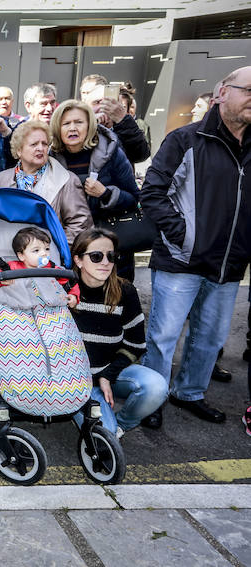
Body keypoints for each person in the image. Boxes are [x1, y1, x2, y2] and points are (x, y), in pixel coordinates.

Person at [140, 66, 251, 426]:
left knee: (210, 337)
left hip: (229, 264)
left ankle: (189, 392)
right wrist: (184, 236)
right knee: (164, 336)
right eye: (249, 90)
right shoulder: (185, 139)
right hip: (181, 260)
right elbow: (153, 193)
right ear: (222, 94)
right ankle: (151, 398)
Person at [70, 228, 168, 437]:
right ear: (78, 260)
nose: (105, 262)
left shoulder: (125, 291)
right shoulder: (64, 290)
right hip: (75, 381)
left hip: (110, 372)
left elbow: (136, 344)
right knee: (103, 436)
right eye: (96, 256)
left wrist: (108, 375)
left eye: (111, 256)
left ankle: (122, 424)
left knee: (156, 387)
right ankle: (101, 423)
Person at [49, 99, 140, 279]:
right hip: (69, 247)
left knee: (113, 301)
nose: (72, 128)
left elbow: (134, 198)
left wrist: (106, 193)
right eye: (66, 123)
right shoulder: (50, 158)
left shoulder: (111, 153)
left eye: (79, 122)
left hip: (109, 248)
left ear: (90, 126)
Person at [0, 120, 92, 244]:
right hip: (8, 256)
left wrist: (53, 249)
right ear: (19, 151)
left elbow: (80, 224)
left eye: (44, 144)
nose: (41, 148)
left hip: (49, 258)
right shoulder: (0, 180)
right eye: (34, 144)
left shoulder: (66, 180)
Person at [0, 226, 79, 307]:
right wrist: (2, 280)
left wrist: (73, 295)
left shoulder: (51, 269)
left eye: (47, 249)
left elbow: (70, 282)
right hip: (20, 305)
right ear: (21, 256)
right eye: (36, 250)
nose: (44, 253)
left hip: (46, 306)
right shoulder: (12, 267)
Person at [78, 74, 151, 164]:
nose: (103, 106)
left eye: (109, 102)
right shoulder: (79, 126)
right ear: (87, 107)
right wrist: (91, 124)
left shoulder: (123, 126)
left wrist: (123, 120)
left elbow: (140, 155)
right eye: (96, 102)